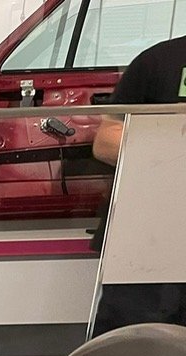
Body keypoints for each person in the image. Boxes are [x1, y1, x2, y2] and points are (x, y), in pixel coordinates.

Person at [88, 34, 186, 337]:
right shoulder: (160, 60)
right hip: (148, 246)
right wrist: (171, 153)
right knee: (135, 350)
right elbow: (106, 141)